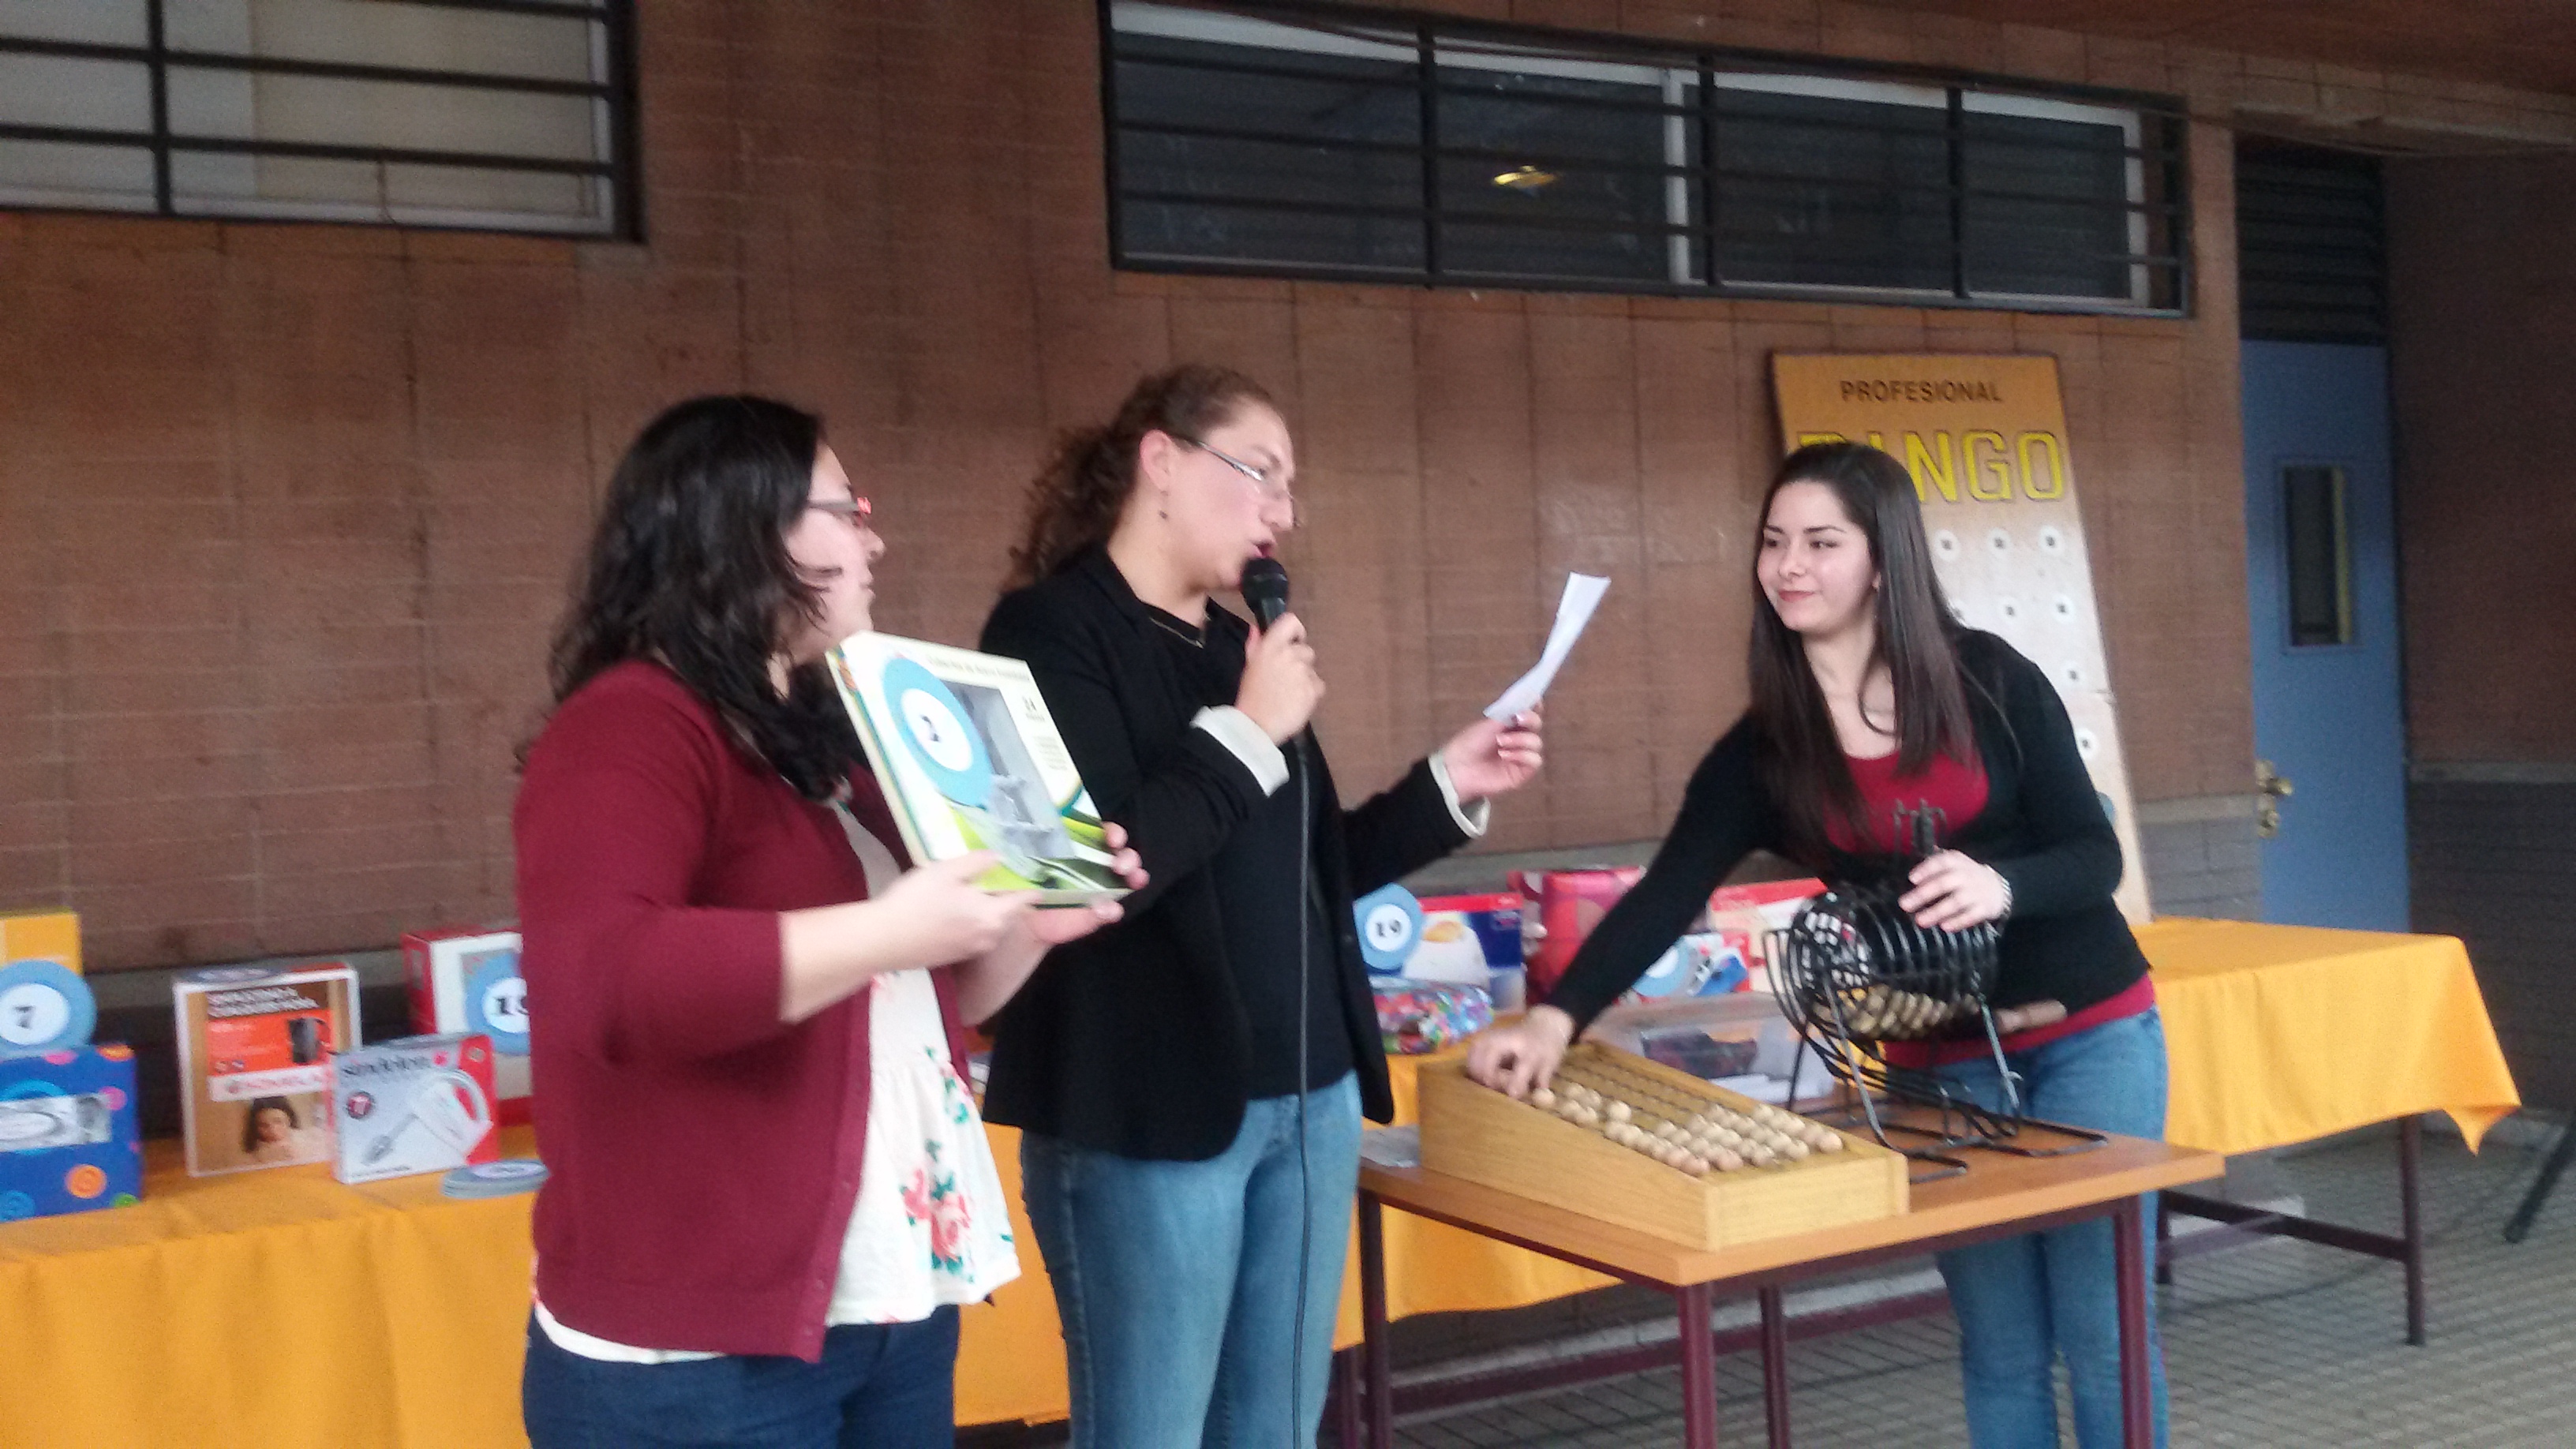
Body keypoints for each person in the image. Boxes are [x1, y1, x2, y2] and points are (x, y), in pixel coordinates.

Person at [1468, 440, 2170, 1449]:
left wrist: (2001, 884)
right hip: (1938, 1067)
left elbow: (2094, 855)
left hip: (2089, 1034)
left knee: (2106, 1338)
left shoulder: (1989, 678)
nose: (1789, 565)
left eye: (1821, 542)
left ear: (1883, 559)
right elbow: (1666, 894)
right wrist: (1553, 1019)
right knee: (2002, 1347)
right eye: (1774, 542)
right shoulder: (1766, 748)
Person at [511, 395, 1145, 1449]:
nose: (873, 539)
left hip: (887, 1301)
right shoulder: (628, 723)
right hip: (701, 1355)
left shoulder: (827, 740)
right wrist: (890, 931)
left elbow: (914, 1001)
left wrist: (1028, 925)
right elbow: (609, 982)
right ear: (743, 527)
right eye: (847, 509)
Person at [978, 364, 1544, 1447]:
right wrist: (1246, 730)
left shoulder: (1240, 649)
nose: (1283, 511)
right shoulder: (1051, 631)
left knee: (1276, 1428)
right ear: (1161, 461)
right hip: (1153, 1113)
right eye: (1261, 474)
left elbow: (1307, 868)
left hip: (1310, 1096)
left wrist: (1448, 786)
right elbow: (1098, 869)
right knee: (1150, 1430)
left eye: (1291, 487)